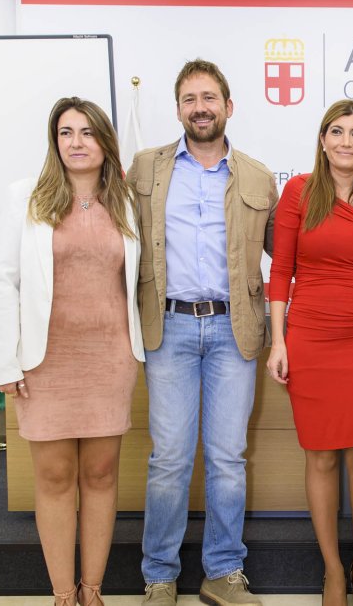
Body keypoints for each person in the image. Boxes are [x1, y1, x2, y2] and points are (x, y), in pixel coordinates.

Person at [0, 96, 144, 606]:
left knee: (99, 476)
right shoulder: (26, 197)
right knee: (54, 477)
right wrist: (3, 360)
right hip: (44, 359)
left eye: (87, 133)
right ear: (55, 143)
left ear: (105, 141)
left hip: (110, 357)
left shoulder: (128, 200)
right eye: (66, 133)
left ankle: (92, 591)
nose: (76, 143)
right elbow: (4, 282)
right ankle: (62, 595)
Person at [130, 59, 278, 606]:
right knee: (168, 456)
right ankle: (160, 575)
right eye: (190, 98)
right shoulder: (144, 169)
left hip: (233, 330)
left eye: (210, 97)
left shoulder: (259, 177)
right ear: (177, 110)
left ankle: (222, 571)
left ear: (229, 107)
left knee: (227, 458)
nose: (201, 107)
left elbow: (283, 262)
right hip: (166, 326)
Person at [265, 99, 353, 606]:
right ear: (323, 139)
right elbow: (281, 270)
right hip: (310, 337)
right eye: (337, 131)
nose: (346, 141)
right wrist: (279, 341)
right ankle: (332, 572)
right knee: (321, 457)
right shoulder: (300, 190)